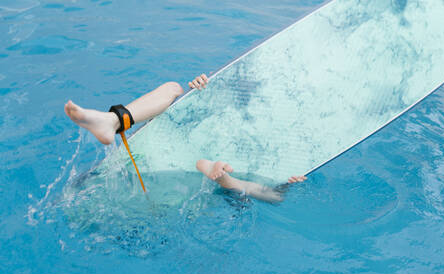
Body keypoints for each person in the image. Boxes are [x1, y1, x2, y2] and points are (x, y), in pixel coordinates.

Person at [64, 74, 306, 202]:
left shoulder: (250, 147)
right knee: (173, 88)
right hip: (173, 163)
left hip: (179, 176)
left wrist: (286, 181)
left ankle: (219, 175)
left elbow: (273, 195)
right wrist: (197, 92)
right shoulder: (224, 122)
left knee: (210, 167)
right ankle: (113, 121)